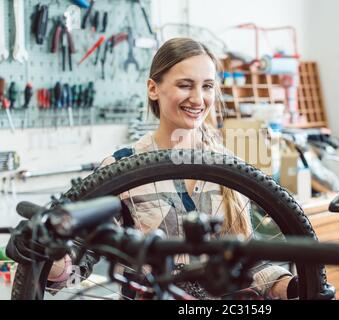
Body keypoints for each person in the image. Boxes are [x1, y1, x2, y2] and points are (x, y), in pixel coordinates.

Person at [47, 38, 297, 299]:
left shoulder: (230, 168)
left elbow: (245, 263)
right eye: (185, 85)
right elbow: (77, 261)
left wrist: (292, 286)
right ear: (153, 89)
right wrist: (51, 259)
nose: (198, 99)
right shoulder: (121, 169)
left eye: (207, 86)